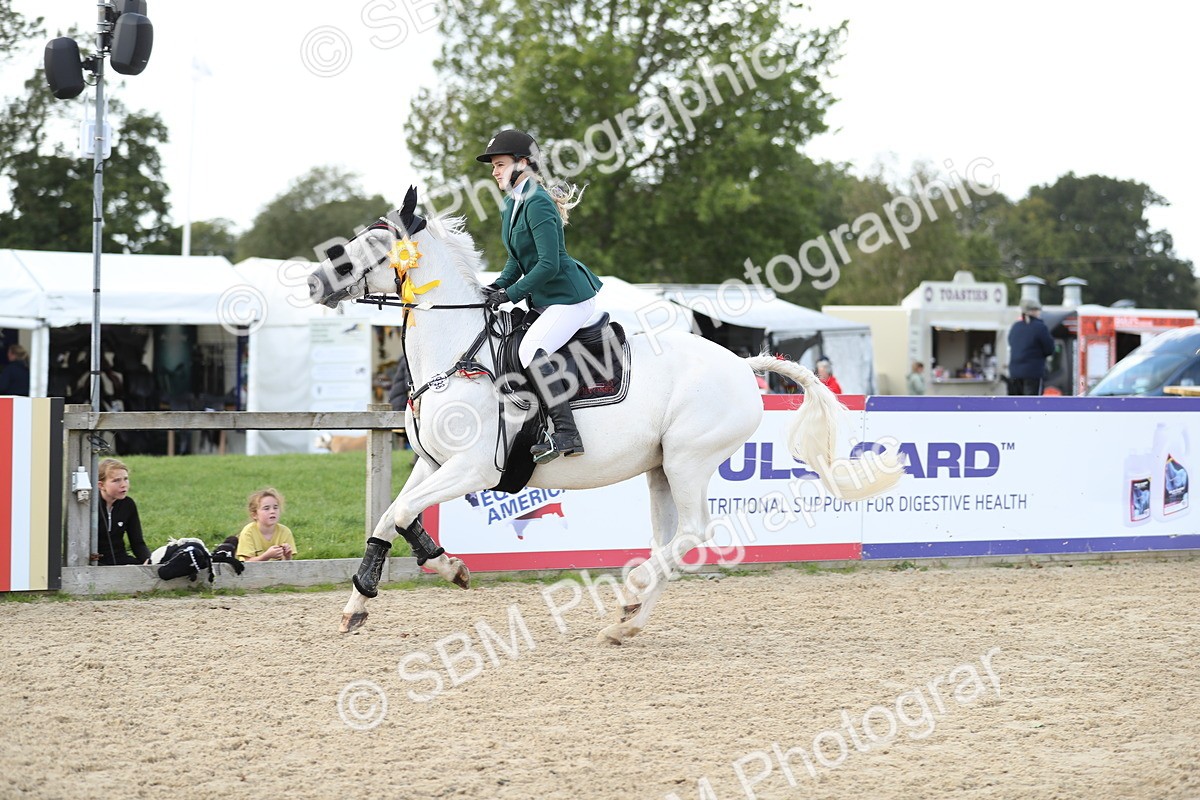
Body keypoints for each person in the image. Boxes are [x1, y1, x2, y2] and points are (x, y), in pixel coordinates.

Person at [476, 129, 603, 463]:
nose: (494, 171)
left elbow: (548, 263)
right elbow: (516, 259)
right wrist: (496, 286)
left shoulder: (538, 201)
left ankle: (566, 434)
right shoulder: (511, 204)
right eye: (493, 166)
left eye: (500, 164)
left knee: (532, 349)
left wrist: (510, 294)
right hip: (546, 299)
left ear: (523, 162)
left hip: (569, 297)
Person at [95, 458, 151, 565]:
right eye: (116, 480)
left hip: (121, 559)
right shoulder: (90, 506)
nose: (123, 484)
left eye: (125, 479)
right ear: (101, 485)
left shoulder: (128, 504)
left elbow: (137, 542)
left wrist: (148, 560)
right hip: (95, 563)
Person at [1007, 297, 1055, 395]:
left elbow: (1011, 343)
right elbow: (1049, 349)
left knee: (1017, 405)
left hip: (1014, 373)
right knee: (1033, 405)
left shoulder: (1015, 327)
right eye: (1037, 310)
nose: (1039, 313)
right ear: (1032, 311)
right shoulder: (1040, 327)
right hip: (1033, 373)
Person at [235, 488, 297, 562]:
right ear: (255, 514)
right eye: (266, 508)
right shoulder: (248, 532)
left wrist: (287, 556)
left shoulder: (285, 531)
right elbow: (247, 563)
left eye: (275, 507)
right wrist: (266, 556)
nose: (272, 511)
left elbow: (286, 566)